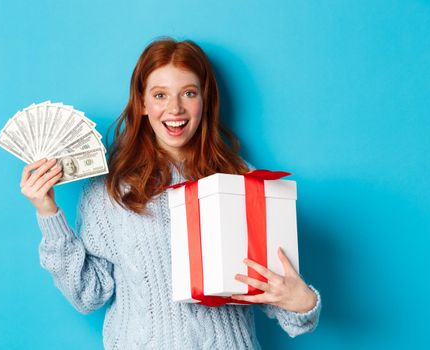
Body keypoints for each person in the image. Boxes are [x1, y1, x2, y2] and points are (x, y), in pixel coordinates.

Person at [20, 38, 321, 349]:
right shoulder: (109, 190)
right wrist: (47, 212)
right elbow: (88, 296)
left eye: (188, 93)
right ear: (142, 103)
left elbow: (286, 306)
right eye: (160, 95)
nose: (174, 108)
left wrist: (303, 300)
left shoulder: (243, 179)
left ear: (205, 99)